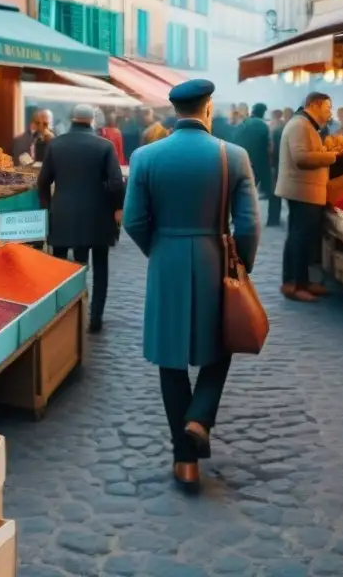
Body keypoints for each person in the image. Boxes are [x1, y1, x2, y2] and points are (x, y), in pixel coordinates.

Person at [123, 79, 260, 490]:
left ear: (174, 110)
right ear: (208, 108)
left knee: (171, 358)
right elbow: (250, 224)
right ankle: (200, 417)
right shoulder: (233, 156)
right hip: (213, 258)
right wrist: (243, 265)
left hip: (166, 259)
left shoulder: (145, 156)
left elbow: (132, 220)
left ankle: (185, 462)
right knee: (222, 342)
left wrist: (159, 250)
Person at [38, 105, 124, 333]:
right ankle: (95, 317)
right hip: (98, 216)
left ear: (72, 119)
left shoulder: (56, 144)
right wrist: (117, 208)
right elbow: (116, 183)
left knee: (59, 267)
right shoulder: (104, 146)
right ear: (92, 121)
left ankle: (62, 314)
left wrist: (47, 209)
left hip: (63, 215)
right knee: (101, 267)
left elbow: (43, 181)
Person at [275, 93, 338, 302]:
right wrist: (332, 156)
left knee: (302, 238)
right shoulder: (300, 125)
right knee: (299, 239)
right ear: (314, 105)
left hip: (306, 190)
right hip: (302, 191)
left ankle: (302, 281)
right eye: (328, 108)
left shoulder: (306, 125)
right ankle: (294, 284)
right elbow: (301, 158)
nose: (330, 113)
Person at [233, 102, 271, 196]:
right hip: (258, 161)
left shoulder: (244, 123)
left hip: (243, 158)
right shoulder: (263, 126)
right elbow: (266, 145)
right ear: (263, 113)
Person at [266, 108, 290, 227]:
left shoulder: (275, 129)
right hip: (286, 165)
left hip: (276, 165)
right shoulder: (286, 129)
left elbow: (271, 150)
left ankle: (273, 220)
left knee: (275, 194)